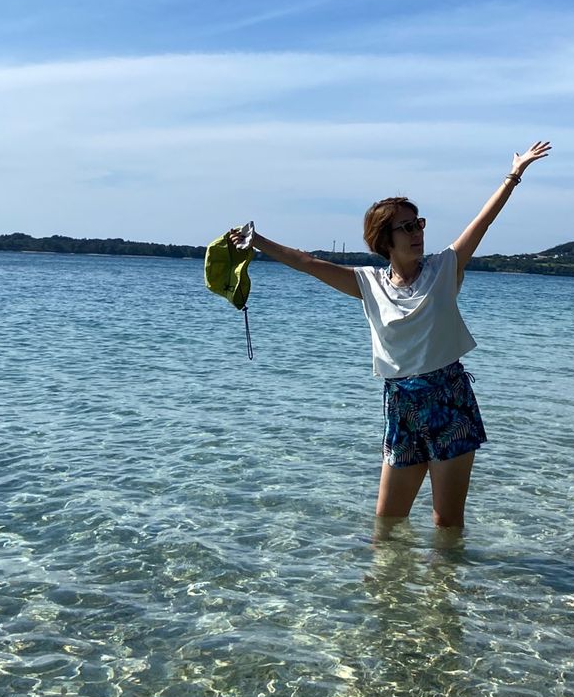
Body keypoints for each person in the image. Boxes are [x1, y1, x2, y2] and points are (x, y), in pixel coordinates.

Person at [228, 141, 551, 529]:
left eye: (420, 224)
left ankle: (441, 589)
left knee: (446, 521)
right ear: (385, 239)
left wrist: (514, 174)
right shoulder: (368, 283)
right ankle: (389, 589)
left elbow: (482, 221)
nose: (418, 232)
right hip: (400, 404)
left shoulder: (444, 268)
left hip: (448, 399)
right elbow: (307, 263)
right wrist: (256, 241)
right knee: (387, 522)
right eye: (407, 227)